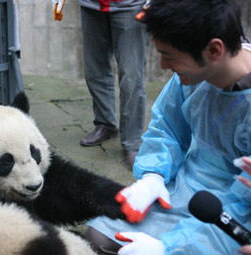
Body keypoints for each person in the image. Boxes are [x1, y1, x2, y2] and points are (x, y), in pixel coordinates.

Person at [84, 0, 251, 254]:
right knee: (100, 236)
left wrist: (172, 247)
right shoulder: (192, 75)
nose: (162, 65)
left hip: (235, 213)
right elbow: (166, 126)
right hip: (186, 190)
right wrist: (154, 176)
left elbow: (242, 202)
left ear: (214, 50)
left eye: (169, 57)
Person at [53, 0, 148, 168]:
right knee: (95, 71)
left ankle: (133, 142)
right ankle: (106, 124)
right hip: (91, 5)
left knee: (131, 78)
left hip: (130, 6)